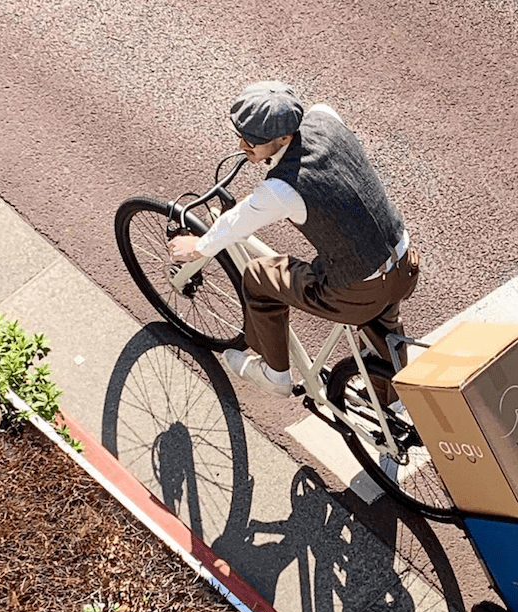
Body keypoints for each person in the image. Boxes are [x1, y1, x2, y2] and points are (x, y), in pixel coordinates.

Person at [168, 80, 420, 398]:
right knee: (382, 326)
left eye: (254, 141)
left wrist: (197, 247)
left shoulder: (283, 189)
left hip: (359, 289)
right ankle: (392, 407)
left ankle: (275, 374)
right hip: (403, 260)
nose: (244, 146)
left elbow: (237, 222)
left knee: (259, 277)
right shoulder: (323, 116)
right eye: (241, 136)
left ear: (284, 138)